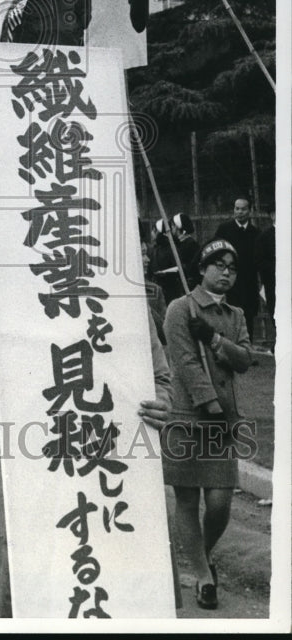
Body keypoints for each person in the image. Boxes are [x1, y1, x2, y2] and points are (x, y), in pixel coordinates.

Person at [0, 305, 174, 615]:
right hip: (49, 465)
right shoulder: (24, 299)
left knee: (121, 585)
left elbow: (161, 378)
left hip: (118, 468)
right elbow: (4, 391)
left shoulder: (129, 305)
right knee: (36, 581)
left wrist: (161, 402)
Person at [162, 239, 252, 611]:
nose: (226, 272)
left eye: (232, 267)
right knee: (187, 499)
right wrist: (209, 402)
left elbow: (244, 359)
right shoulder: (179, 308)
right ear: (202, 269)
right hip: (187, 418)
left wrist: (213, 339)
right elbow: (184, 362)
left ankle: (203, 554)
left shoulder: (236, 315)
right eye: (219, 265)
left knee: (219, 502)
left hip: (222, 422)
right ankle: (203, 577)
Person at [213, 197, 261, 341]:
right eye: (237, 208)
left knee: (247, 317)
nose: (239, 212)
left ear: (250, 211)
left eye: (243, 209)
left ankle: (247, 347)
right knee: (228, 315)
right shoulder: (224, 230)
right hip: (228, 282)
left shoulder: (256, 233)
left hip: (249, 283)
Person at [255, 209, 275, 347]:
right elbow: (260, 261)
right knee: (276, 313)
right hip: (274, 283)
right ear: (272, 215)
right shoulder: (264, 237)